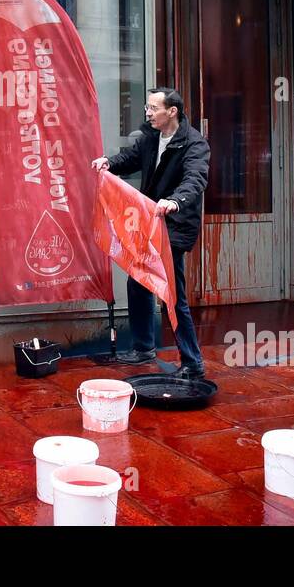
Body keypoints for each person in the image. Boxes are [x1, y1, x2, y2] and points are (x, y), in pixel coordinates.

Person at [92, 87, 210, 380]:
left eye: (153, 108)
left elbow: (196, 178)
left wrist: (175, 201)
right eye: (147, 107)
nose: (147, 112)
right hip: (150, 221)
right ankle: (144, 347)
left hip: (174, 224)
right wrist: (109, 162)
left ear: (172, 111)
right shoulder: (151, 137)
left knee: (173, 295)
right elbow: (131, 157)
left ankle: (193, 362)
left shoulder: (194, 144)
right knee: (137, 281)